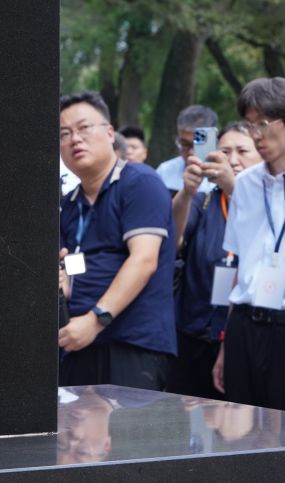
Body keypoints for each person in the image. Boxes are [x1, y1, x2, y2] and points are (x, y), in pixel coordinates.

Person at [212, 77, 285, 414]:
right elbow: (239, 266)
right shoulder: (245, 183)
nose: (255, 134)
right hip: (242, 325)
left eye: (263, 123)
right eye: (250, 125)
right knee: (238, 435)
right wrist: (224, 347)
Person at [59, 91, 176, 390]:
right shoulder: (68, 203)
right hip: (78, 342)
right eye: (64, 133)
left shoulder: (140, 182)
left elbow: (144, 260)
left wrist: (96, 319)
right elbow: (75, 263)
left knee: (124, 436)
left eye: (84, 128)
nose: (75, 139)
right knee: (75, 437)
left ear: (110, 133)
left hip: (130, 344)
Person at [167, 124, 262, 399]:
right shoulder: (205, 201)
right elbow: (173, 242)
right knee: (184, 416)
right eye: (225, 151)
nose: (233, 160)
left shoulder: (268, 204)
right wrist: (186, 193)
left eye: (243, 151)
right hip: (192, 329)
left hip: (242, 336)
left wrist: (234, 187)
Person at [156, 105, 218, 195]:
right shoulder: (165, 172)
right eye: (184, 144)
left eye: (197, 145)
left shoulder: (227, 173)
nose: (191, 152)